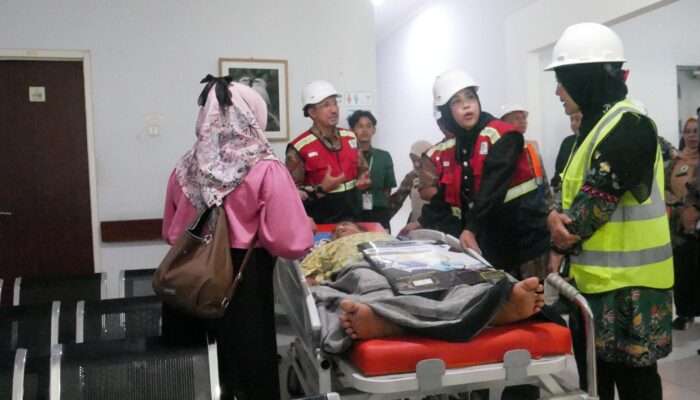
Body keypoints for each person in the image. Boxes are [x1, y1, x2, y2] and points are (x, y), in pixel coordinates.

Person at [161, 75, 313, 400]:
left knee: (193, 377)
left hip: (186, 283)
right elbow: (291, 242)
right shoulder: (264, 168)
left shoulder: (185, 168)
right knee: (247, 375)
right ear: (252, 116)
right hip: (241, 286)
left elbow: (170, 232)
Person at [545, 23, 673, 400]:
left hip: (633, 291)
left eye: (563, 80)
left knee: (636, 387)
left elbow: (584, 217)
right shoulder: (592, 129)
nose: (557, 91)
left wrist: (557, 227)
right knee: (593, 385)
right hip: (592, 285)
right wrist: (553, 216)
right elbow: (563, 196)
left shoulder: (629, 127)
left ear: (585, 78)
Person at [429, 68, 551, 280]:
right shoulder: (458, 145)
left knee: (532, 299)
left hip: (525, 242)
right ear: (446, 112)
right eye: (456, 101)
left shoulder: (503, 136)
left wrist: (471, 229)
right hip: (494, 244)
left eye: (470, 97)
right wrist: (421, 224)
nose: (466, 105)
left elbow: (492, 187)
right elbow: (450, 196)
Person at [286, 80, 369, 223]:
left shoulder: (350, 137)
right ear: (312, 112)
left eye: (335, 103)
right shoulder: (299, 147)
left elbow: (363, 169)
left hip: (353, 219)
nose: (334, 110)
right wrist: (322, 189)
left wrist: (364, 178)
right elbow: (290, 195)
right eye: (326, 105)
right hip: (320, 221)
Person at [666, 117, 699, 330]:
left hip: (697, 220)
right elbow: (664, 187)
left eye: (696, 131)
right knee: (681, 270)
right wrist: (676, 205)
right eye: (688, 131)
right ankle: (684, 312)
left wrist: (694, 209)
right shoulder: (674, 161)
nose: (692, 135)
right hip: (678, 225)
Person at [348, 110, 397, 230]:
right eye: (360, 126)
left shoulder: (384, 156)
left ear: (374, 130)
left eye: (368, 126)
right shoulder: (347, 157)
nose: (365, 130)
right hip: (353, 212)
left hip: (379, 212)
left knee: (382, 241)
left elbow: (387, 189)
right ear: (352, 130)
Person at [388, 140, 433, 229]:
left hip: (436, 227)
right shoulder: (411, 177)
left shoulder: (440, 175)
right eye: (413, 160)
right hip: (414, 226)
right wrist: (381, 220)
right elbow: (396, 201)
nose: (416, 164)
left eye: (418, 160)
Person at [551, 112, 582, 191]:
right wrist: (556, 183)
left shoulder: (595, 143)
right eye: (571, 120)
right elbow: (559, 168)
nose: (573, 123)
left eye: (577, 119)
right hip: (564, 191)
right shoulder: (567, 141)